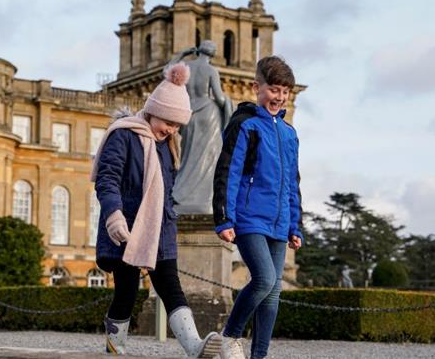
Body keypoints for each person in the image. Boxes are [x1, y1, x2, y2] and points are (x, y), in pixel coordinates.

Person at [92, 63, 222, 358]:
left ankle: (195, 347)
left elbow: (166, 186)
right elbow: (107, 178)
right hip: (126, 226)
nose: (172, 130)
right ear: (153, 110)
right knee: (125, 292)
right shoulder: (123, 135)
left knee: (171, 287)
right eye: (168, 122)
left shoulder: (167, 144)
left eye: (177, 126)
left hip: (159, 226)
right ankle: (115, 348)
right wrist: (113, 215)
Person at [212, 56, 303, 359]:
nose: (279, 97)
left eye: (284, 92)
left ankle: (259, 356)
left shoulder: (289, 133)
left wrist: (294, 225)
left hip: (279, 222)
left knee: (273, 291)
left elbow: (292, 182)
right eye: (274, 89)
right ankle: (231, 336)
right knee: (264, 279)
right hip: (249, 218)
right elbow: (228, 170)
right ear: (257, 87)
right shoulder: (245, 124)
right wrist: (224, 218)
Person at [169, 40, 234, 214]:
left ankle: (180, 194)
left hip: (189, 113)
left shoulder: (187, 67)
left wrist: (181, 54)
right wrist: (229, 105)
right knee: (208, 158)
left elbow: (167, 72)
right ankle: (201, 198)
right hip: (208, 113)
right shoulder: (211, 70)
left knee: (187, 155)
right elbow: (219, 98)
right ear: (212, 53)